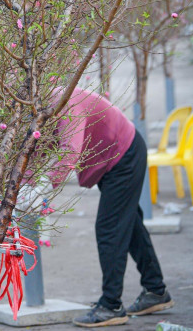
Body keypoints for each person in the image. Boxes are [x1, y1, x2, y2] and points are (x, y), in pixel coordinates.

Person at [46, 86, 173, 327]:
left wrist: (45, 182)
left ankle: (111, 306)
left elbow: (70, 150)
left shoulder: (64, 102)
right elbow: (38, 147)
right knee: (130, 225)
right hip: (115, 154)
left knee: (110, 229)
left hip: (123, 154)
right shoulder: (45, 103)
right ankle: (156, 291)